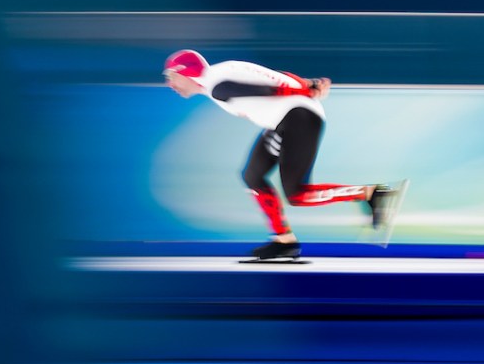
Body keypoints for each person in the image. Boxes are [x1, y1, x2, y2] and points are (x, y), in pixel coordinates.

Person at [163, 49, 407, 261]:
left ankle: (373, 193)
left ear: (186, 73)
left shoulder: (218, 87)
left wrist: (305, 88)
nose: (170, 85)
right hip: (287, 119)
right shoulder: (221, 72)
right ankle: (284, 242)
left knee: (297, 194)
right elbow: (274, 75)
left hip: (296, 119)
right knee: (253, 175)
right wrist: (306, 84)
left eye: (171, 77)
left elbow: (269, 87)